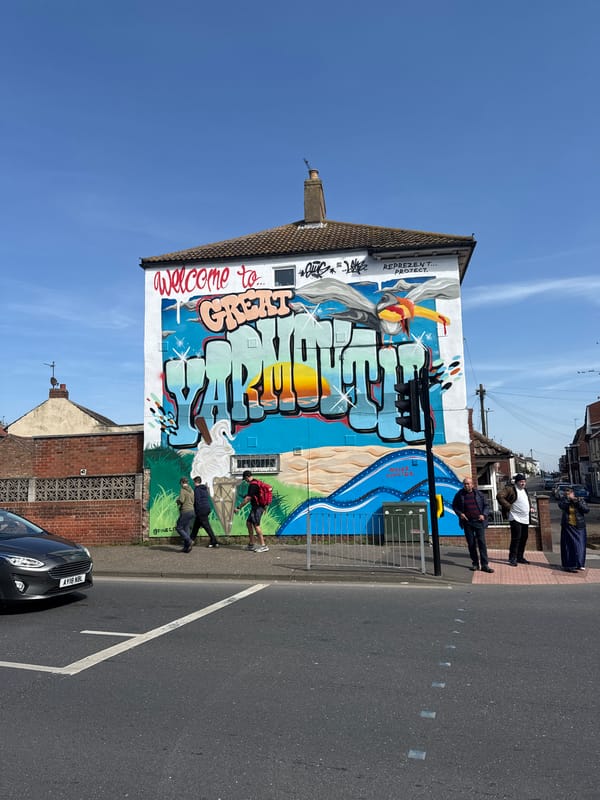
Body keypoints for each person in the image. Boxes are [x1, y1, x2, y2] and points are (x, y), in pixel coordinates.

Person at [452, 477, 494, 573]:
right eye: (465, 484)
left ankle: (485, 565)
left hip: (478, 521)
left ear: (472, 485)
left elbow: (486, 506)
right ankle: (475, 563)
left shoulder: (479, 494)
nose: (467, 485)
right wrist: (460, 514)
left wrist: (484, 514)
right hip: (467, 522)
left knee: (482, 543)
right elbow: (454, 506)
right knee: (471, 544)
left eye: (468, 484)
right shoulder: (460, 494)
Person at [497, 473, 531, 566]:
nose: (523, 483)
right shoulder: (511, 489)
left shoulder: (525, 490)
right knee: (516, 538)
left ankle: (520, 557)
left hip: (525, 518)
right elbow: (500, 496)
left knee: (524, 538)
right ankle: (512, 558)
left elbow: (527, 500)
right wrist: (508, 506)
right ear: (516, 482)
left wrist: (530, 507)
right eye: (521, 482)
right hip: (515, 517)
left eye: (524, 481)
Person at [236, 469, 269, 552]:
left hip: (258, 508)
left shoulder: (253, 485)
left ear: (247, 477)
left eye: (245, 479)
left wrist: (238, 507)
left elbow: (247, 498)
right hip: (255, 507)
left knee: (256, 525)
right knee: (248, 523)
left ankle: (263, 545)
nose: (245, 481)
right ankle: (251, 544)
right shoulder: (256, 482)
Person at [558, 486, 589, 572]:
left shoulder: (580, 500)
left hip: (579, 527)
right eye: (567, 494)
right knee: (568, 546)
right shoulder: (564, 501)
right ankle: (569, 565)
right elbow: (562, 506)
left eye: (570, 493)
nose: (569, 495)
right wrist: (568, 500)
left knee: (580, 546)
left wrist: (577, 502)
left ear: (573, 493)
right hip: (568, 526)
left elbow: (586, 510)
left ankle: (580, 564)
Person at [191, 476, 220, 547]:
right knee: (196, 526)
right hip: (206, 508)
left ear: (195, 482)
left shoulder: (197, 489)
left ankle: (214, 541)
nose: (193, 483)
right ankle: (191, 540)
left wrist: (196, 510)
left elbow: (197, 501)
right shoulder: (204, 489)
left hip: (201, 509)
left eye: (194, 482)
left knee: (206, 526)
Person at [175, 477, 195, 553]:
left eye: (180, 483)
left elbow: (181, 500)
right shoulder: (192, 490)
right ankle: (186, 547)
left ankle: (189, 541)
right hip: (192, 511)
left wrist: (177, 501)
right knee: (186, 528)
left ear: (182, 483)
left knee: (179, 527)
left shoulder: (183, 490)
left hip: (185, 511)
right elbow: (193, 501)